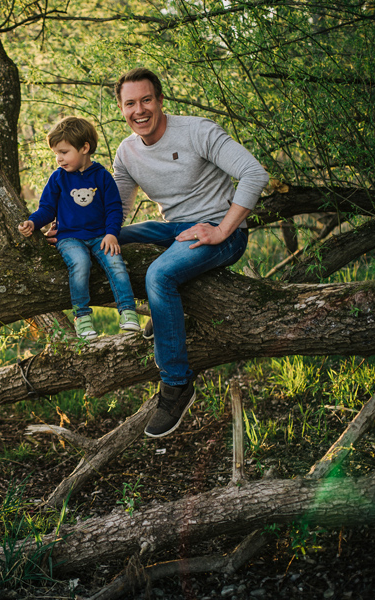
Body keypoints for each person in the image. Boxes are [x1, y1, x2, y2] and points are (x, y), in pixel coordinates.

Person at [113, 68, 269, 438]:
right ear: (121, 108)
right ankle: (168, 314)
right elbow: (114, 213)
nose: (140, 110)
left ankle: (177, 383)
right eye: (130, 103)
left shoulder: (198, 130)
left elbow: (254, 174)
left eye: (146, 100)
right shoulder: (127, 151)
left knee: (160, 275)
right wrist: (68, 229)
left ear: (161, 100)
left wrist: (221, 230)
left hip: (221, 231)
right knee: (110, 239)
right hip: (174, 230)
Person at [18, 116, 141, 339]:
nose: (59, 159)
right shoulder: (58, 179)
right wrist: (33, 222)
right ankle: (82, 318)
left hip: (100, 236)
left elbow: (114, 208)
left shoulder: (103, 177)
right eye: (56, 153)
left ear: (84, 147)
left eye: (64, 152)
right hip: (69, 238)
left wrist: (112, 234)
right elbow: (47, 209)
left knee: (116, 264)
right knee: (80, 262)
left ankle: (128, 313)